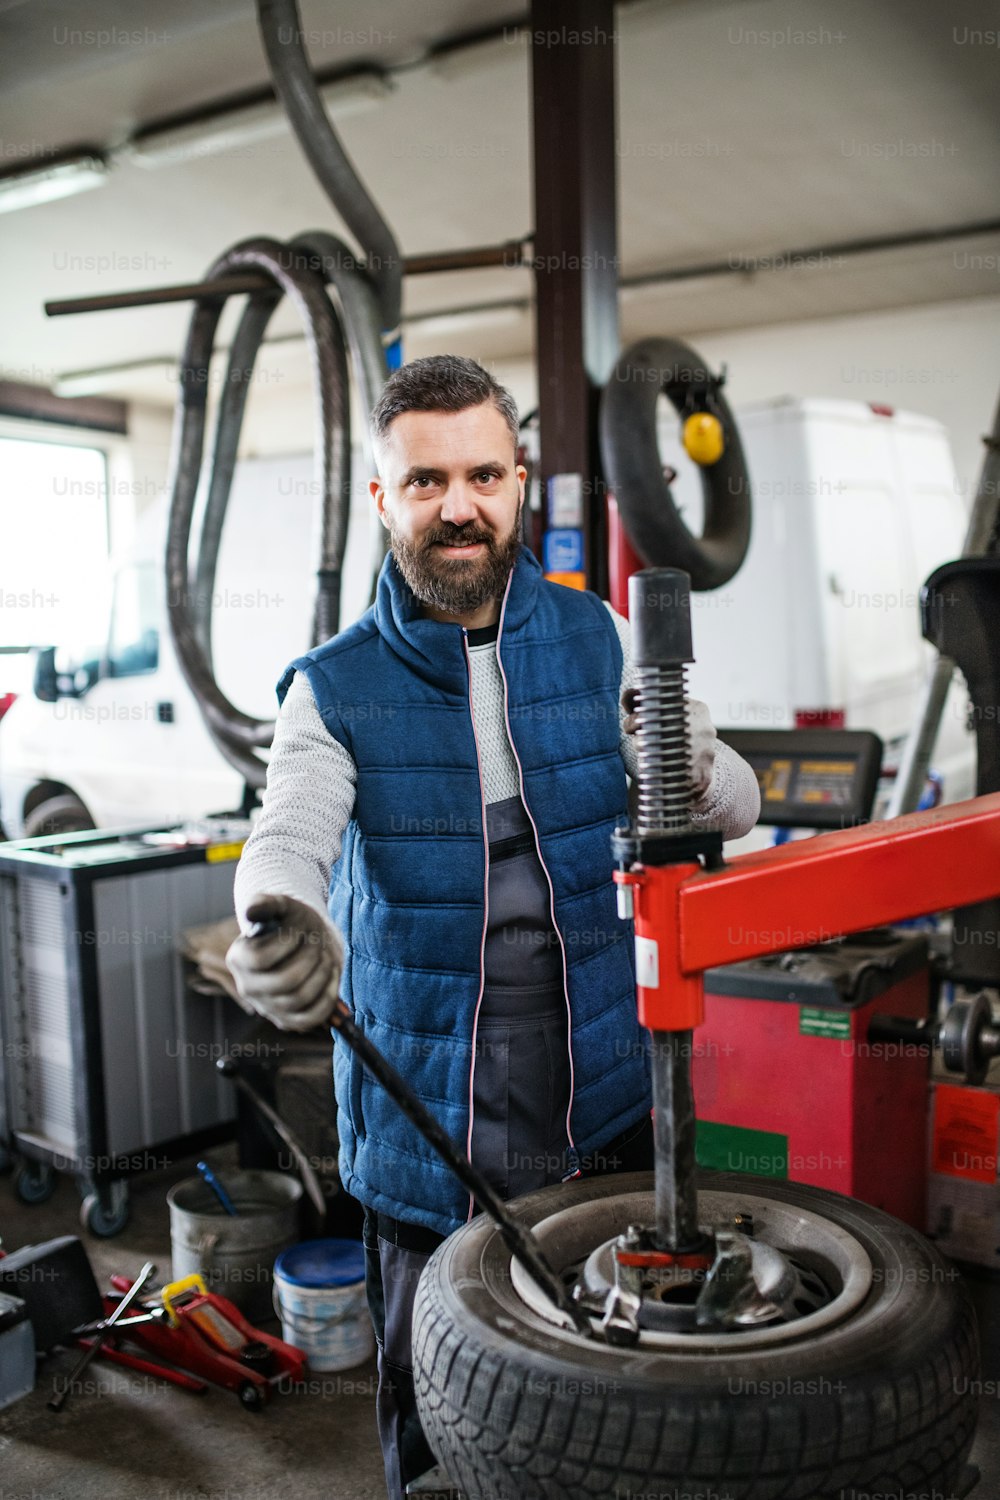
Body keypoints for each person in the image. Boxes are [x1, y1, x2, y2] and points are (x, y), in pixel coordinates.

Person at [227, 354, 760, 1498]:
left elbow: (737, 803)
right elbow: (289, 838)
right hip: (431, 1127)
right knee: (437, 1419)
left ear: (519, 482)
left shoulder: (595, 637)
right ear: (382, 500)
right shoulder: (333, 685)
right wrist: (276, 926)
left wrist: (694, 757)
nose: (457, 506)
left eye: (481, 474)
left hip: (605, 1101)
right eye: (424, 482)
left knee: (617, 1396)